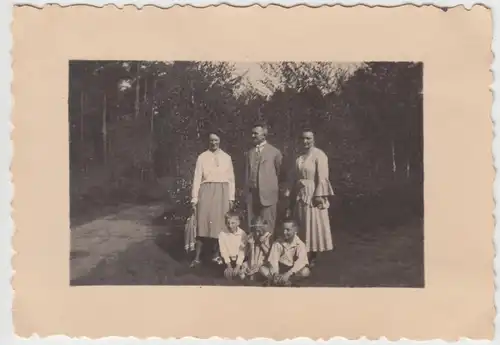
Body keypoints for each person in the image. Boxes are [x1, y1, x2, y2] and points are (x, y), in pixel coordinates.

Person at [286, 129, 334, 267]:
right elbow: (294, 177)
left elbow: (323, 177)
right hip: (300, 193)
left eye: (308, 138)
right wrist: (290, 192)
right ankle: (302, 253)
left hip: (313, 193)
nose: (305, 141)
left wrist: (319, 195)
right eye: (303, 139)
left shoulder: (319, 155)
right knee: (301, 223)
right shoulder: (299, 158)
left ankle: (312, 254)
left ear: (314, 139)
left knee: (313, 224)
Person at [190, 129, 235, 268]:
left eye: (216, 140)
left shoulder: (226, 157)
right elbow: (197, 177)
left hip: (222, 191)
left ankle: (216, 255)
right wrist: (194, 198)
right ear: (208, 141)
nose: (213, 142)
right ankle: (197, 257)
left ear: (220, 141)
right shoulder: (202, 157)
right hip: (206, 191)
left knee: (219, 224)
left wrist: (231, 197)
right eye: (211, 140)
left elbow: (231, 179)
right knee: (202, 223)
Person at [244, 122, 283, 234]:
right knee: (252, 227)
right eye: (252, 133)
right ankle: (254, 251)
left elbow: (280, 173)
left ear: (264, 134)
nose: (253, 136)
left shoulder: (275, 152)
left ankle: (268, 251)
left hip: (268, 195)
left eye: (256, 133)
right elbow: (247, 175)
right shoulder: (250, 153)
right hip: (252, 196)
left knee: (267, 228)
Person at [259, 218, 310, 286]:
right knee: (262, 269)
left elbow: (300, 262)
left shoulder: (300, 244)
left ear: (295, 230)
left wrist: (288, 274)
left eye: (288, 230)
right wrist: (275, 273)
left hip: (292, 270)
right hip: (280, 268)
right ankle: (279, 281)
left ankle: (288, 281)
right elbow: (274, 260)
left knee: (306, 271)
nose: (284, 232)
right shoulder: (277, 243)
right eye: (283, 229)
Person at [218, 211, 248, 280]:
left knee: (241, 276)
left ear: (238, 223)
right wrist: (229, 266)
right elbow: (223, 251)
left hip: (239, 260)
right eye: (228, 223)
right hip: (228, 260)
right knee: (228, 274)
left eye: (233, 223)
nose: (230, 226)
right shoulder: (222, 234)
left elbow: (242, 252)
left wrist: (238, 266)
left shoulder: (243, 234)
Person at [245, 216, 272, 280]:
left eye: (259, 230)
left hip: (263, 264)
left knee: (262, 270)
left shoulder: (269, 237)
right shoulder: (250, 236)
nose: (257, 233)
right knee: (242, 271)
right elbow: (247, 255)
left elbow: (270, 255)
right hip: (251, 262)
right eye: (255, 230)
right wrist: (251, 245)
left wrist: (261, 244)